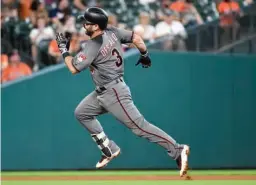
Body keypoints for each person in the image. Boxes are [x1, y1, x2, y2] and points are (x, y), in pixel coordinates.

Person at [56, 7, 190, 177]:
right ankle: (109, 149)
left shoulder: (93, 45)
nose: (84, 25)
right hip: (104, 91)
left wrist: (63, 50)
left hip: (114, 92)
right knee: (82, 112)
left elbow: (73, 68)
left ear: (96, 26)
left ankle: (177, 150)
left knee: (140, 127)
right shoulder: (112, 31)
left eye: (87, 23)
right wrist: (145, 54)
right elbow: (136, 38)